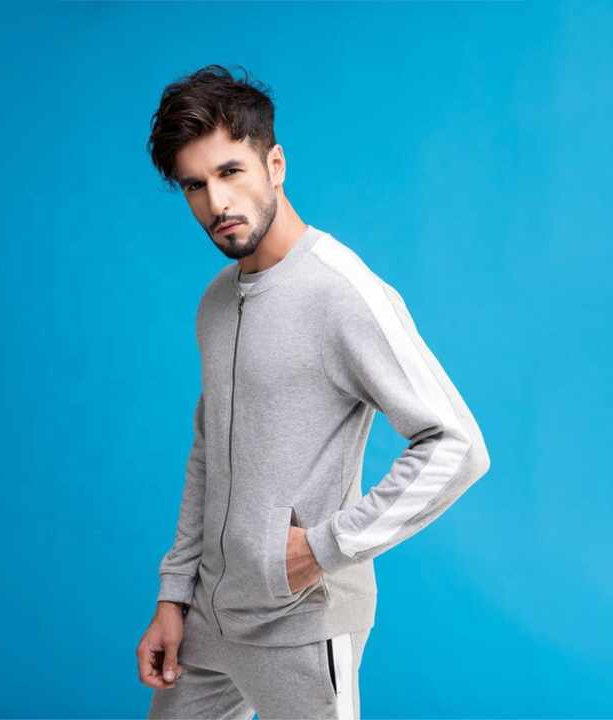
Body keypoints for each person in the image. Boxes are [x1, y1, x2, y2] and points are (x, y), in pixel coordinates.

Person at [136, 64, 491, 720]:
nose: (217, 203)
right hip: (210, 619)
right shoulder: (216, 303)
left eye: (231, 171)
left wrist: (326, 547)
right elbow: (209, 454)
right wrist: (174, 594)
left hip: (300, 623)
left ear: (275, 164)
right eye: (195, 185)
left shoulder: (340, 291)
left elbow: (456, 445)